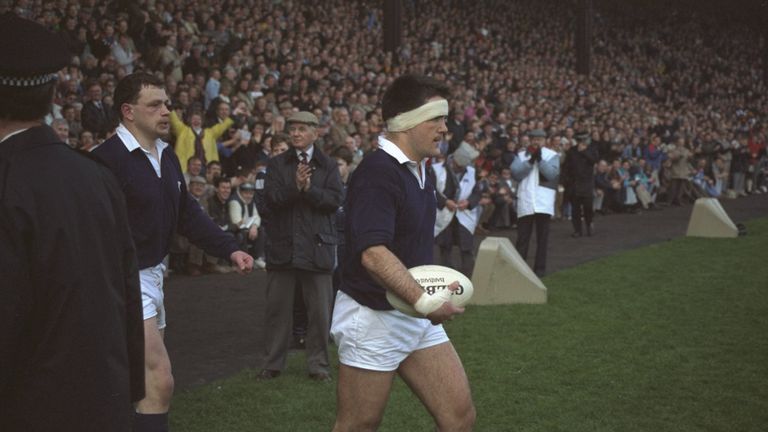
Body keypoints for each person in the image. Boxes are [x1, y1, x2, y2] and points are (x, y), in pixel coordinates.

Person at [0, 13, 144, 431]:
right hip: (102, 403)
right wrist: (127, 390)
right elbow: (125, 293)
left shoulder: (9, 182)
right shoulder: (94, 175)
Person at [92, 72, 254, 432]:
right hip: (122, 282)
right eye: (155, 105)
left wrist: (230, 249)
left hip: (153, 276)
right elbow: (89, 231)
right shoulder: (105, 161)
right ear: (128, 111)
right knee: (159, 379)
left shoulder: (166, 156)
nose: (166, 111)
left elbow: (188, 216)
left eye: (166, 103)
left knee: (140, 385)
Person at [331, 74, 475, 431]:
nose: (446, 128)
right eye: (437, 118)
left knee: (459, 418)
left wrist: (421, 302)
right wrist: (426, 302)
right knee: (359, 425)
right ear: (406, 121)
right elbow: (373, 254)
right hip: (373, 316)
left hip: (412, 311)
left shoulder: (422, 170)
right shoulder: (378, 172)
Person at [258, 111, 343, 381]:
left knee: (319, 313)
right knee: (277, 311)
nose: (295, 133)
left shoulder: (328, 165)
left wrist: (309, 190)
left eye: (302, 129)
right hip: (283, 247)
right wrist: (296, 187)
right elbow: (270, 199)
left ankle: (318, 366)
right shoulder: (276, 165)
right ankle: (272, 365)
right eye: (292, 128)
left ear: (315, 133)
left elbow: (334, 201)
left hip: (317, 248)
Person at [510, 128, 560, 276]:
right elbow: (516, 174)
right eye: (534, 139)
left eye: (540, 139)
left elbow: (551, 174)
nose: (537, 142)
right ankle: (519, 271)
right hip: (525, 201)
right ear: (530, 140)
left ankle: (540, 270)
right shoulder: (520, 156)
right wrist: (530, 161)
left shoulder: (552, 155)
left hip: (543, 203)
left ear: (544, 141)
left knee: (542, 239)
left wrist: (540, 160)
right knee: (522, 239)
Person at [431, 142, 483, 277]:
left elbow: (477, 192)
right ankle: (447, 277)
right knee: (445, 247)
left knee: (466, 247)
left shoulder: (472, 171)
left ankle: (469, 277)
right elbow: (431, 191)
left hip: (464, 214)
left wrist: (469, 202)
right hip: (444, 214)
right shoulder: (436, 169)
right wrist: (445, 201)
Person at [562, 132, 598, 237]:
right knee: (575, 209)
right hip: (574, 184)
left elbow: (594, 160)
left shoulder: (592, 149)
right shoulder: (572, 151)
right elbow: (565, 167)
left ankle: (589, 224)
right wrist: (566, 181)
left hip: (587, 183)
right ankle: (577, 230)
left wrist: (584, 152)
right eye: (582, 140)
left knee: (588, 207)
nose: (584, 142)